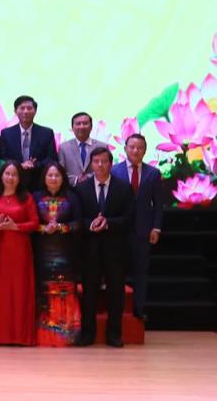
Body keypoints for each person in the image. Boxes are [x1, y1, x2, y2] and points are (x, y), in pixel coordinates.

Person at [74, 146, 135, 347]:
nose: (100, 165)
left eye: (104, 161)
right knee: (89, 293)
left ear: (111, 163)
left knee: (116, 293)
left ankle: (114, 334)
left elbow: (129, 218)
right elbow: (77, 218)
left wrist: (108, 223)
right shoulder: (81, 189)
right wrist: (91, 224)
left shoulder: (123, 187)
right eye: (96, 161)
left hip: (115, 249)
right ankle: (87, 334)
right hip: (89, 250)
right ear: (91, 164)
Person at [0, 160, 39, 345]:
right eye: (7, 174)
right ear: (1, 176)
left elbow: (35, 223)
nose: (10, 177)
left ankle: (20, 336)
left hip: (20, 250)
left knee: (19, 290)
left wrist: (15, 226)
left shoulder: (26, 197)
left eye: (14, 174)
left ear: (19, 178)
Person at [112, 133, 162, 320]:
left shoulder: (153, 173)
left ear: (145, 151)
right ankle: (117, 309)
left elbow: (158, 204)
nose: (135, 151)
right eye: (132, 147)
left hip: (143, 230)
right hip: (118, 231)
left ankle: (139, 308)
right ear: (125, 148)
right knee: (117, 272)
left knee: (141, 271)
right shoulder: (114, 171)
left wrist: (156, 228)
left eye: (140, 148)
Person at [33, 161, 82, 346]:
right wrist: (43, 228)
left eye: (57, 175)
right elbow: (30, 222)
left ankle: (67, 335)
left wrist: (61, 227)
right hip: (42, 253)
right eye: (50, 175)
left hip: (66, 254)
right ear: (44, 178)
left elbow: (79, 223)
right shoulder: (35, 196)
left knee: (65, 292)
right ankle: (45, 335)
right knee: (44, 292)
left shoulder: (71, 197)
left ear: (63, 178)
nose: (53, 178)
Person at [0, 95, 57, 184]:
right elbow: (2, 157)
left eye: (29, 108)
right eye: (22, 108)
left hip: (39, 179)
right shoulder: (6, 133)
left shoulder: (46, 133)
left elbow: (51, 158)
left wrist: (34, 165)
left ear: (35, 111)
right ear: (15, 111)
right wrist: (20, 165)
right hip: (13, 180)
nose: (25, 111)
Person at [58, 111, 106, 186]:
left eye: (85, 123)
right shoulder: (64, 147)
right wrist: (76, 179)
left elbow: (106, 168)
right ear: (72, 128)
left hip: (95, 188)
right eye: (78, 124)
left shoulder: (102, 146)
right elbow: (60, 171)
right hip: (72, 189)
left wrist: (89, 178)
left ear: (91, 127)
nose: (82, 126)